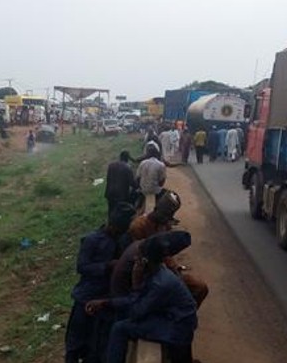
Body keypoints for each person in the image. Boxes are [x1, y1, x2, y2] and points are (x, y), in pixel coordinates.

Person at [87, 234, 199, 363]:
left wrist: (136, 284)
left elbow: (136, 312)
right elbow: (137, 301)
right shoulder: (156, 271)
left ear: (145, 260)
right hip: (169, 316)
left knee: (120, 328)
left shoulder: (160, 284)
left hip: (177, 327)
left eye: (139, 256)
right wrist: (106, 302)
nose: (136, 258)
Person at [64, 208, 134, 363]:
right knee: (75, 343)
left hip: (105, 299)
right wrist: (106, 266)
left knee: (97, 345)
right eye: (119, 230)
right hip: (86, 297)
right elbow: (82, 267)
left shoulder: (121, 239)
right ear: (113, 226)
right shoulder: (92, 240)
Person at [104, 151, 137, 218]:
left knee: (111, 211)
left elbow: (108, 178)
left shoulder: (111, 165)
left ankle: (109, 225)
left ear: (120, 157)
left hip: (110, 193)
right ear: (127, 159)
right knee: (120, 214)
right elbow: (133, 184)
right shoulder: (127, 168)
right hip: (121, 195)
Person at [135, 145, 166, 213]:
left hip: (143, 189)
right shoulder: (161, 165)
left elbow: (137, 178)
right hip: (155, 190)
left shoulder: (142, 163)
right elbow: (162, 182)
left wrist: (140, 187)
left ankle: (138, 208)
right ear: (157, 154)